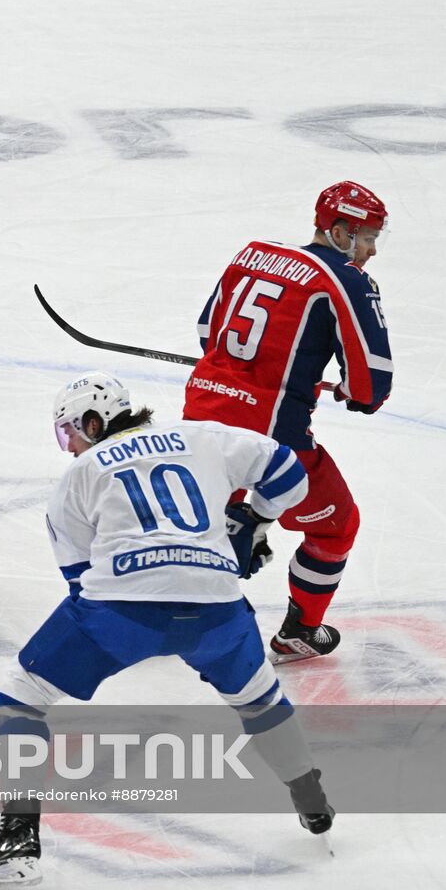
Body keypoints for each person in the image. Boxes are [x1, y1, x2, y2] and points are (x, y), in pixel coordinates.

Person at [0, 372, 332, 887]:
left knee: (24, 691)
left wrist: (129, 634)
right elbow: (290, 473)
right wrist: (254, 521)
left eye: (70, 433)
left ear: (93, 421)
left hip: (122, 612)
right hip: (219, 607)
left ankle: (19, 836)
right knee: (259, 697)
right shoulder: (203, 435)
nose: (70, 447)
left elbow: (79, 580)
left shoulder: (82, 472)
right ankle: (311, 799)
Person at [183, 181, 392, 663]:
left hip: (200, 416)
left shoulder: (251, 256)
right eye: (366, 238)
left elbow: (204, 334)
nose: (372, 250)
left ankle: (231, 533)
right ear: (339, 232)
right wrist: (351, 393)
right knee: (336, 526)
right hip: (270, 437)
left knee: (210, 518)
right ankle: (299, 629)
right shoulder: (345, 279)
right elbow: (371, 385)